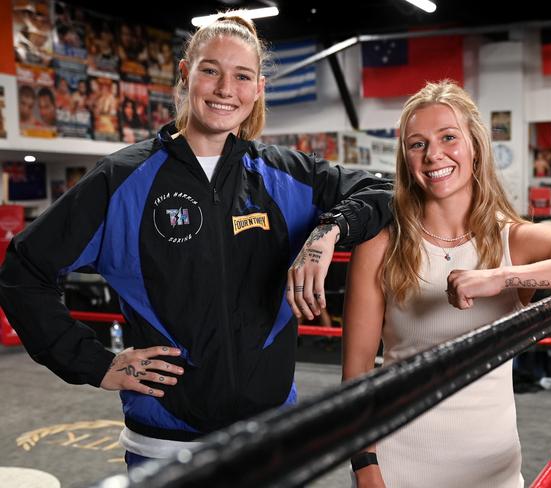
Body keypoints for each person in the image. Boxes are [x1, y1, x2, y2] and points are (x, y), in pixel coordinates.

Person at [0, 14, 392, 470]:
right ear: (186, 75)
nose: (226, 88)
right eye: (211, 70)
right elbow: (23, 271)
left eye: (242, 76)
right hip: (165, 447)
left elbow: (385, 191)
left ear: (258, 88)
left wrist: (327, 233)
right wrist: (93, 362)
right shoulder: (122, 179)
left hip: (272, 436)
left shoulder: (287, 175)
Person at [341, 80, 551, 488]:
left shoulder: (512, 240)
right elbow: (356, 375)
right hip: (401, 464)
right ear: (405, 157)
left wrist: (502, 277)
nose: (434, 155)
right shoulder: (381, 244)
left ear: (475, 147)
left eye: (448, 137)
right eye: (417, 144)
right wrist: (366, 468)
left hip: (492, 467)